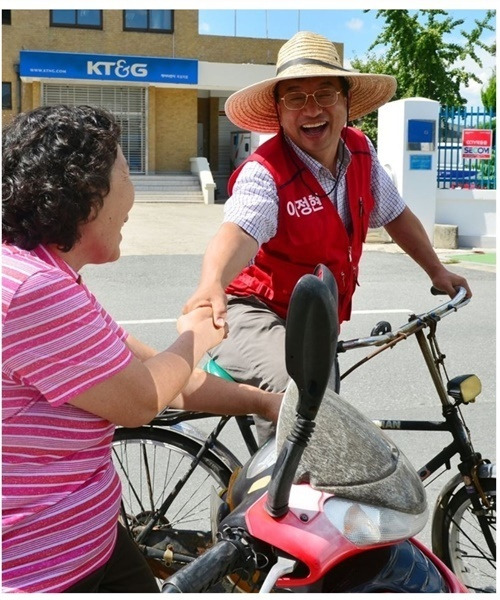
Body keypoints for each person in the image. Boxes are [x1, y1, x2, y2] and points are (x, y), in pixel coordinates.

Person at [1, 104, 282, 594]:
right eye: (126, 171)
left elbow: (156, 373)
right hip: (46, 569)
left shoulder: (45, 274)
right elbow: (141, 400)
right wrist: (197, 332)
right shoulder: (33, 290)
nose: (132, 196)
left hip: (94, 538)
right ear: (85, 192)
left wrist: (262, 402)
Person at [184, 31, 471, 444]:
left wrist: (437, 269)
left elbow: (395, 214)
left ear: (346, 103)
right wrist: (211, 281)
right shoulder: (266, 172)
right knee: (297, 395)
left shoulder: (361, 152)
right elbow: (240, 230)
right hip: (253, 312)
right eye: (296, 97)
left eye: (325, 93)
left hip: (315, 318)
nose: (312, 109)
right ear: (279, 112)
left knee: (322, 418)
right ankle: (273, 503)